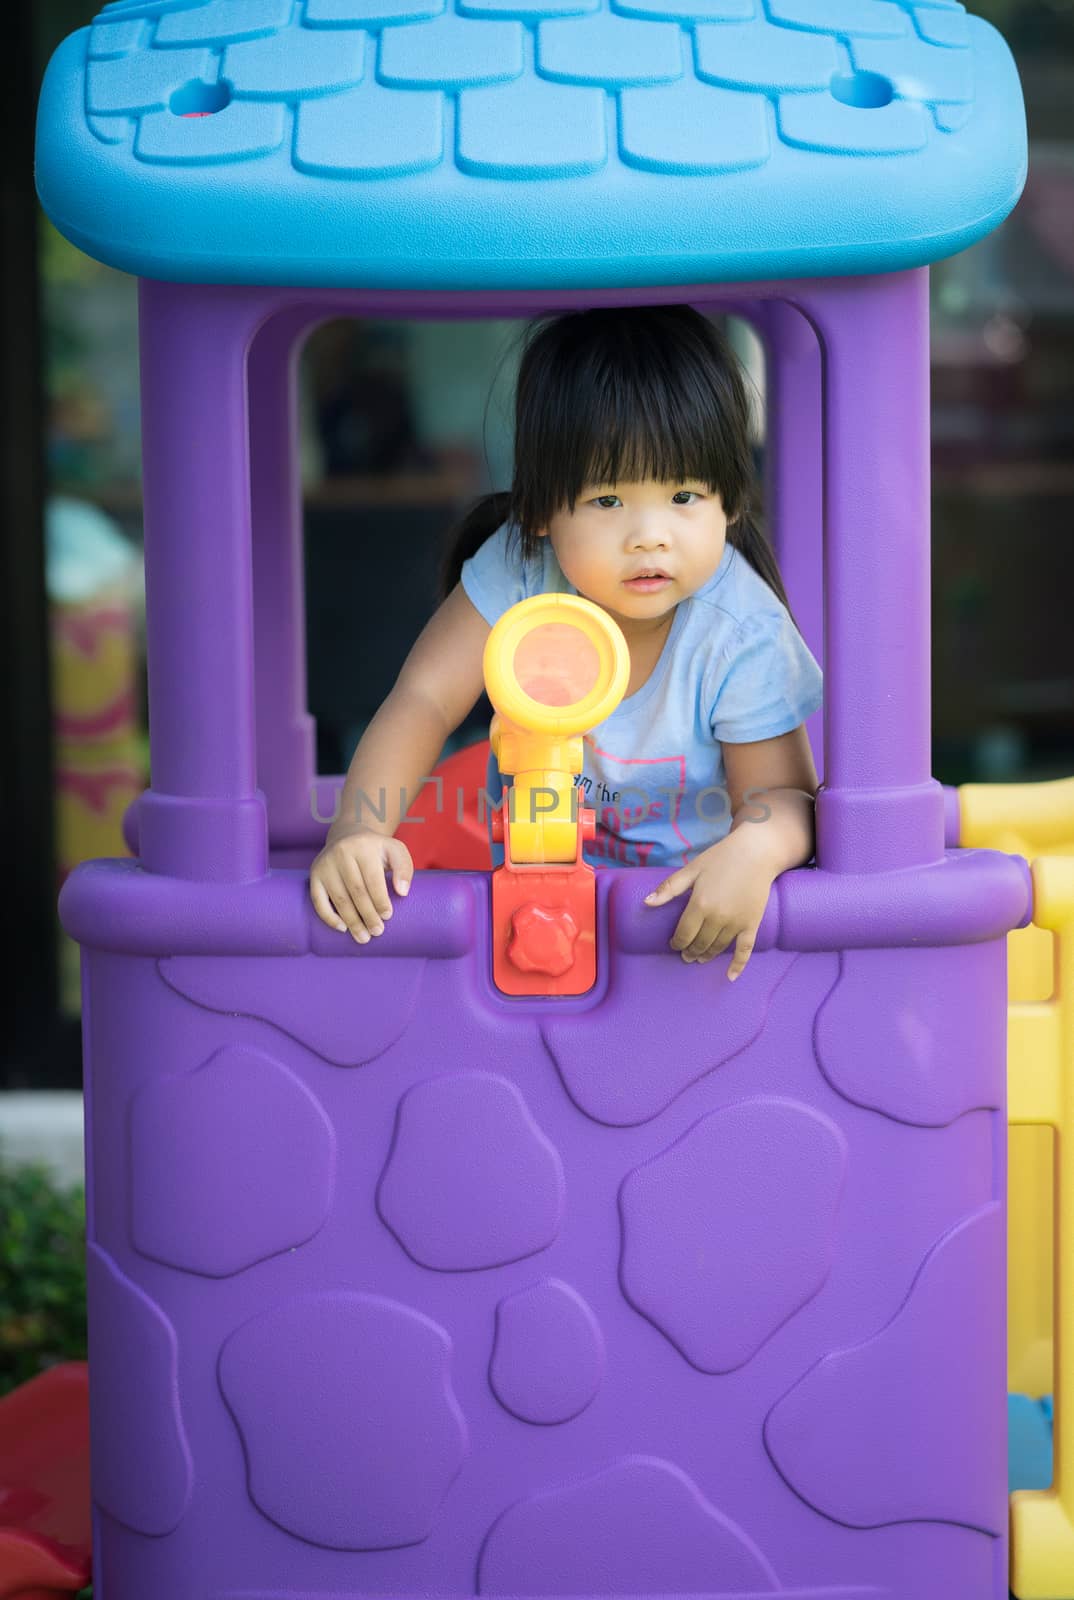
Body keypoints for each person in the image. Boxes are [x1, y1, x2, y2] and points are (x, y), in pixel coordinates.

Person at [309, 305, 822, 978]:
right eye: (609, 501)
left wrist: (755, 852)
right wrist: (358, 832)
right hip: (528, 898)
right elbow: (426, 699)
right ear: (541, 511)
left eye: (685, 495)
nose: (650, 535)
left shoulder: (739, 630)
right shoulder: (523, 569)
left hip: (680, 918)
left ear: (729, 501)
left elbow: (785, 800)